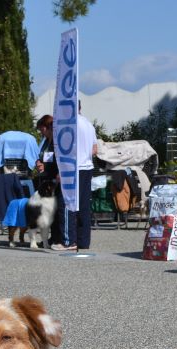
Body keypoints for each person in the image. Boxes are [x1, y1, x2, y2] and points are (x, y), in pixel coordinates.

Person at [53, 103, 97, 252]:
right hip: (87, 167)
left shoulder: (68, 124)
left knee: (66, 204)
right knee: (83, 206)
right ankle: (83, 241)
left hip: (72, 168)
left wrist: (62, 170)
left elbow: (66, 149)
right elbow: (95, 150)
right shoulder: (89, 124)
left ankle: (68, 241)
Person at [34, 114, 64, 247]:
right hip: (45, 177)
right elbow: (42, 156)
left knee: (56, 210)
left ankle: (58, 238)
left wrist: (45, 166)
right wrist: (39, 163)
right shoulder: (46, 141)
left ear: (48, 127)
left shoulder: (56, 141)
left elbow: (56, 160)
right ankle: (52, 237)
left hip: (54, 178)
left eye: (42, 130)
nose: (41, 132)